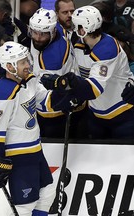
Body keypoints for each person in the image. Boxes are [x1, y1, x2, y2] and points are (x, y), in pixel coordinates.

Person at [0, 41, 78, 215]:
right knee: (24, 207)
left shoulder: (29, 81)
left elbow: (44, 101)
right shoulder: (2, 93)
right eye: (23, 62)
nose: (28, 65)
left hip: (35, 150)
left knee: (47, 193)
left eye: (27, 60)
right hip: (18, 156)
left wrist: (66, 98)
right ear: (9, 66)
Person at [43, 5, 134, 139]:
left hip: (124, 115)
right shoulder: (79, 42)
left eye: (76, 25)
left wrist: (66, 82)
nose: (73, 28)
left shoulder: (107, 48)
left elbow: (93, 90)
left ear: (83, 29)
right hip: (96, 116)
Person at [29, 8, 84, 138]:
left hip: (54, 114)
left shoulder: (52, 59)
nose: (37, 38)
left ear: (52, 32)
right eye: (34, 32)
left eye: (42, 34)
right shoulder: (56, 28)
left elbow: (44, 93)